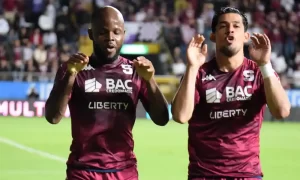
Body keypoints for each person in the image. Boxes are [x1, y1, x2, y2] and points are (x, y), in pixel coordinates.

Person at [45, 6, 169, 180]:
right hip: (82, 171)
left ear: (124, 34)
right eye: (103, 32)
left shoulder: (135, 71)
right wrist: (70, 76)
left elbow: (162, 119)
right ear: (91, 34)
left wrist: (150, 80)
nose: (110, 38)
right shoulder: (74, 68)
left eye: (116, 32)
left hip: (124, 171)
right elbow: (53, 117)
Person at [171, 7, 290, 180]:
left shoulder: (259, 72)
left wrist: (265, 64)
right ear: (213, 36)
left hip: (247, 174)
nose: (230, 30)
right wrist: (191, 67)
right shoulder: (198, 72)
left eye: (236, 26)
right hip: (204, 174)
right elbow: (181, 116)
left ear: (246, 36)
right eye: (223, 26)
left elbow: (282, 111)